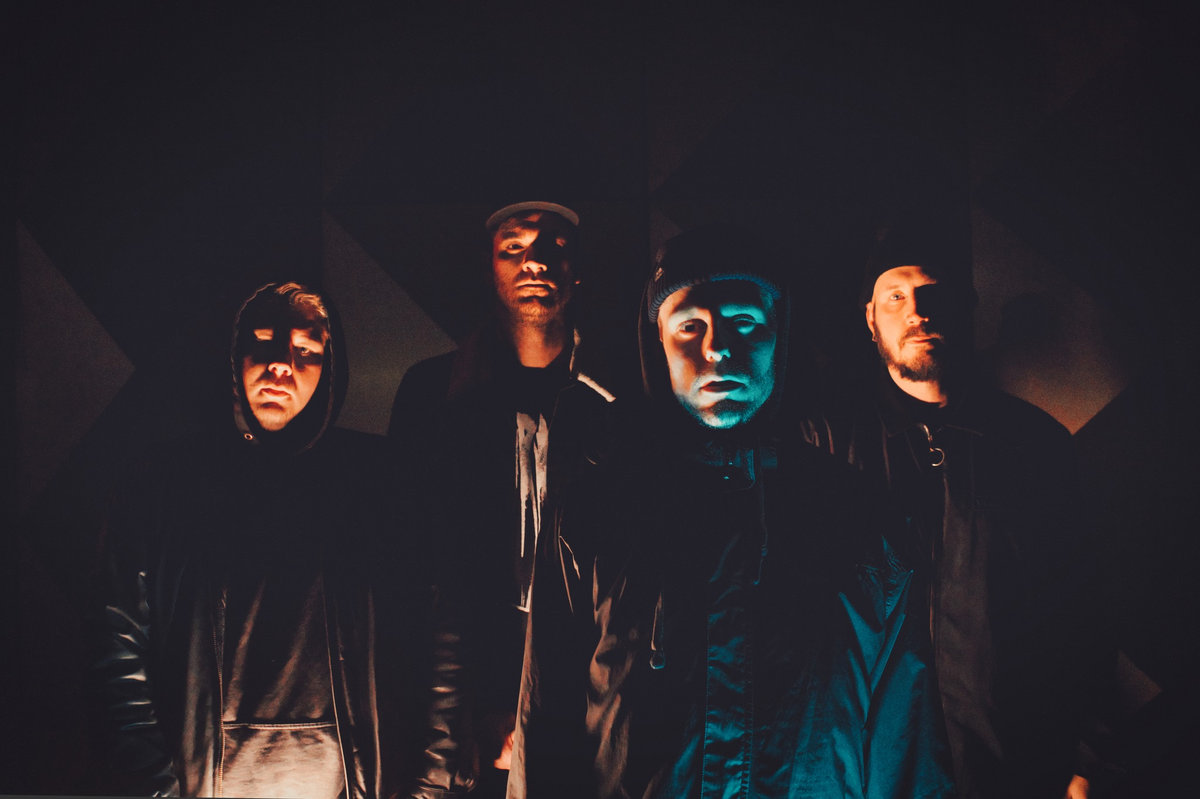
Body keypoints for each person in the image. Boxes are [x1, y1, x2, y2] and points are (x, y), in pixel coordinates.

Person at [514, 226, 953, 798]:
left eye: (744, 322)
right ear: (657, 341)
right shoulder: (595, 512)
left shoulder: (860, 519)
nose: (718, 349)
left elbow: (907, 753)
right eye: (689, 326)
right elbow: (545, 733)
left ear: (780, 335)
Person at [88, 282, 459, 798]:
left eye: (305, 350)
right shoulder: (162, 485)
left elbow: (443, 636)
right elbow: (116, 650)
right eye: (262, 342)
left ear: (330, 366)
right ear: (232, 355)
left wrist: (431, 787)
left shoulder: (383, 485)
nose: (281, 364)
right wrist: (152, 789)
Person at [811, 236, 1097, 798]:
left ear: (966, 307)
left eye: (932, 293)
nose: (917, 311)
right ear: (870, 320)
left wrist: (1084, 754)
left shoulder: (1036, 445)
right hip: (863, 773)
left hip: (1012, 766)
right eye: (895, 297)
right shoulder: (821, 443)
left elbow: (1081, 602)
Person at [388, 202, 615, 797]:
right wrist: (471, 715)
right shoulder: (431, 395)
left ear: (578, 267)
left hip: (591, 713)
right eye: (513, 246)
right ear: (489, 267)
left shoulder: (619, 398)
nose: (534, 260)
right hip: (461, 720)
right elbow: (409, 570)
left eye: (552, 244)